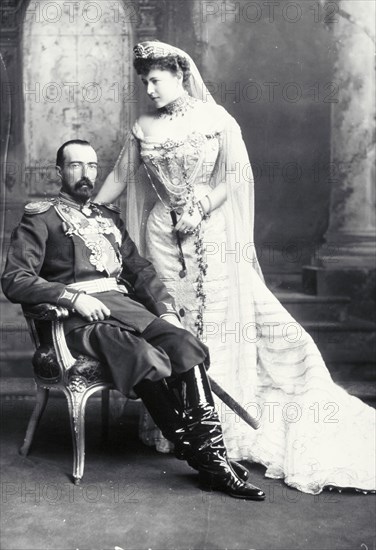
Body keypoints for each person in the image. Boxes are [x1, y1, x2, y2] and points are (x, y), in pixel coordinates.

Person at [94, 41, 376, 495]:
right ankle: (180, 428)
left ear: (181, 74)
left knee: (219, 322)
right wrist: (83, 212)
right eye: (144, 82)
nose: (148, 90)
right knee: (174, 323)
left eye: (156, 79)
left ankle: (223, 429)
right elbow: (119, 178)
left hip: (212, 232)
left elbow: (234, 178)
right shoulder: (143, 125)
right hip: (161, 236)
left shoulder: (217, 120)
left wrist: (201, 205)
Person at [1, 139, 266, 501]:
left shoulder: (109, 219)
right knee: (140, 354)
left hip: (127, 310)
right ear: (59, 171)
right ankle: (213, 464)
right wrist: (71, 297)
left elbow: (139, 271)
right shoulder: (41, 217)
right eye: (75, 166)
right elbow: (15, 279)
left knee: (183, 343)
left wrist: (166, 309)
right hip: (79, 320)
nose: (85, 174)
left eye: (92, 166)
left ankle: (208, 456)